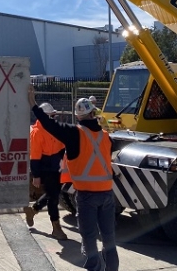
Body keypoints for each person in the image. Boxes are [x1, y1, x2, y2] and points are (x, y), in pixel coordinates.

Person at [27, 86, 118, 271]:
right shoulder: (106, 136)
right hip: (107, 195)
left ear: (78, 116)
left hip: (86, 196)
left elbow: (50, 126)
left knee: (89, 239)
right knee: (109, 239)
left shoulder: (75, 133)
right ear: (93, 113)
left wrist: (34, 106)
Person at [23, 102, 68, 240]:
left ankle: (33, 210)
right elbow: (35, 156)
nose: (54, 118)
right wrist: (36, 175)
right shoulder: (37, 133)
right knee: (53, 198)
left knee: (52, 193)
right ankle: (56, 227)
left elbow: (62, 147)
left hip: (57, 166)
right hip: (45, 168)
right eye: (52, 116)